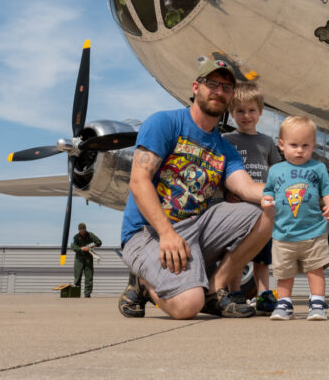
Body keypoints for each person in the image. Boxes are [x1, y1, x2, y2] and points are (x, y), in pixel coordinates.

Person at [117, 59, 274, 319]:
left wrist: (290, 190)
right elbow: (138, 181)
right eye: (211, 83)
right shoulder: (164, 123)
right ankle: (144, 282)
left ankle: (215, 288)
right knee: (188, 306)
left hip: (194, 229)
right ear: (195, 87)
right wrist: (166, 233)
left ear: (231, 95)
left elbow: (246, 188)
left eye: (226, 87)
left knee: (268, 209)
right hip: (149, 233)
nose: (218, 91)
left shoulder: (225, 148)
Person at [262, 116, 329, 320]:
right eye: (294, 145)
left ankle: (318, 303)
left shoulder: (317, 168)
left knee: (316, 270)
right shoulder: (276, 170)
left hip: (313, 233)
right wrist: (266, 200)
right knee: (284, 274)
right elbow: (267, 191)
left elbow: (328, 190)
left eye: (306, 145)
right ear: (281, 144)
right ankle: (284, 304)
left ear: (314, 145)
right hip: (283, 234)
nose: (300, 150)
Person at [222, 82, 281, 314]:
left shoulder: (266, 142)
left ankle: (264, 294)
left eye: (251, 110)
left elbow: (276, 171)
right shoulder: (227, 140)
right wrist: (227, 193)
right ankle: (234, 292)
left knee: (263, 256)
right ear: (231, 113)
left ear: (260, 111)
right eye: (240, 111)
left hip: (263, 209)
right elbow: (220, 172)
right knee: (237, 253)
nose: (246, 116)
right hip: (237, 208)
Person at [71, 223, 102, 298]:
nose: (82, 232)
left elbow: (99, 242)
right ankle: (76, 293)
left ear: (85, 229)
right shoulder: (76, 237)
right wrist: (81, 248)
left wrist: (92, 246)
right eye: (81, 230)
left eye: (83, 230)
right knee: (77, 276)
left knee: (89, 276)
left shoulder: (90, 235)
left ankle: (87, 294)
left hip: (88, 258)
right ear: (78, 230)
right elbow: (73, 247)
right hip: (79, 259)